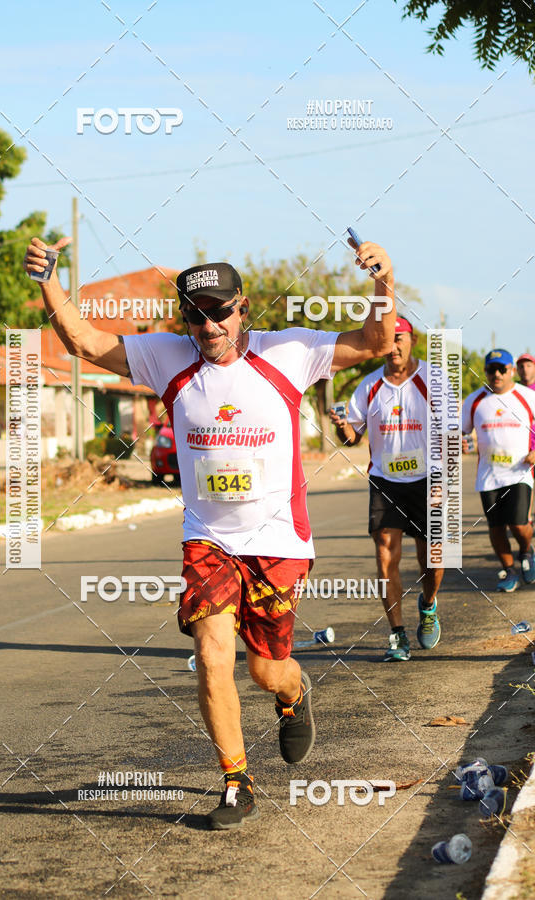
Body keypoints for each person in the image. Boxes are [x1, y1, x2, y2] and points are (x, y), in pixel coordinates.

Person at [24, 234, 395, 829]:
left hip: (277, 542)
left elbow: (376, 340)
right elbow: (86, 342)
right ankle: (235, 781)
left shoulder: (290, 351)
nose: (209, 325)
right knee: (211, 651)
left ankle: (293, 692)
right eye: (196, 315)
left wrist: (382, 282)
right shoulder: (167, 356)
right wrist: (48, 280)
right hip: (209, 539)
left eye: (220, 311)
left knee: (264, 668)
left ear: (242, 306)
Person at [329, 316, 445, 662]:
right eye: (387, 340)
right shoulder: (368, 386)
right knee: (385, 555)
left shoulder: (433, 380)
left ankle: (428, 604)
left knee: (433, 560)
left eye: (400, 338)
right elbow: (352, 438)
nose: (393, 346)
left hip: (428, 479)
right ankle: (397, 634)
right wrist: (342, 426)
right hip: (385, 479)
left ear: (412, 341)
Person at [462, 349, 535, 591]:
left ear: (511, 370)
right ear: (485, 371)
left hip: (519, 473)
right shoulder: (475, 401)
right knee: (496, 527)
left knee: (519, 523)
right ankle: (509, 570)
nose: (497, 374)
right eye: (492, 369)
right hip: (488, 476)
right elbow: (461, 434)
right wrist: (461, 443)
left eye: (502, 369)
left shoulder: (527, 396)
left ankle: (527, 550)